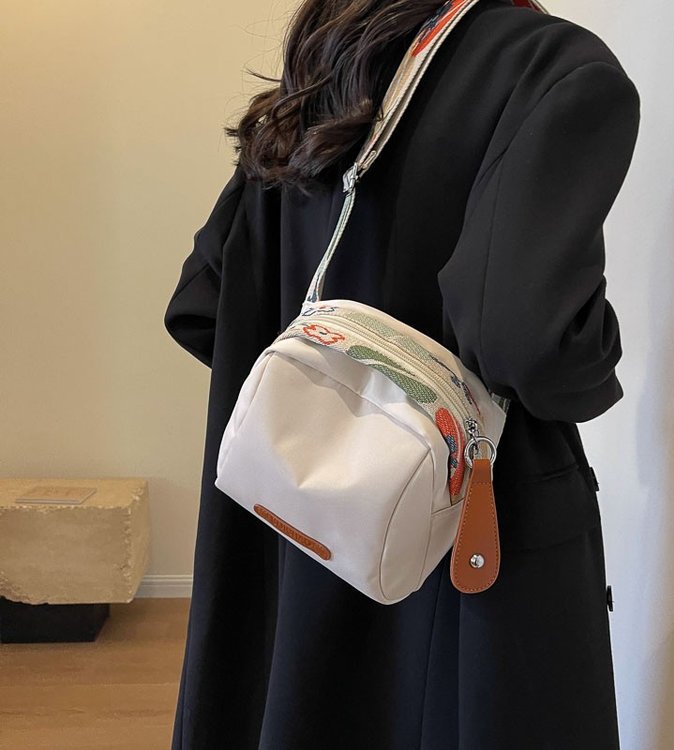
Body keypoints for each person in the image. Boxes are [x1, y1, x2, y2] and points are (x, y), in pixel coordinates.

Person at [164, 0, 641, 747]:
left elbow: (202, 303)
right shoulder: (551, 68)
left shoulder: (324, 66)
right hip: (471, 547)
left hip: (290, 535)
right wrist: (599, 353)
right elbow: (529, 341)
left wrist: (327, 416)